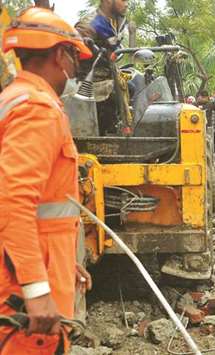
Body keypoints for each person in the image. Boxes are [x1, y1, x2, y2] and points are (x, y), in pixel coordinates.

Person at [0, 7, 93, 353]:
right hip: (19, 290)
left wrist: (64, 261)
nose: (75, 68)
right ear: (59, 54)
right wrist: (37, 290)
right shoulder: (37, 110)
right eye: (74, 56)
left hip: (27, 268)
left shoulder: (15, 98)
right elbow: (14, 201)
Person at [75, 0, 129, 135]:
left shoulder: (117, 21)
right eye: (123, 0)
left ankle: (127, 130)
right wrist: (88, 47)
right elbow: (74, 48)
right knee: (114, 96)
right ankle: (108, 138)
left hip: (110, 75)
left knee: (137, 84)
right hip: (91, 81)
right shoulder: (89, 24)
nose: (127, 4)